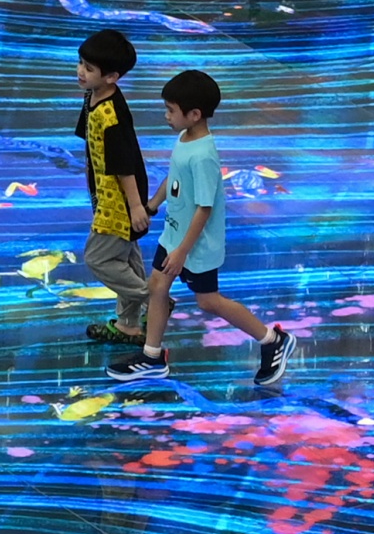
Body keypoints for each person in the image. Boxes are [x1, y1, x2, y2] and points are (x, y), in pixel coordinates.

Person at [106, 70, 297, 387]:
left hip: (195, 245)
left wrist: (182, 251)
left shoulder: (204, 156)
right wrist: (153, 204)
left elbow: (205, 208)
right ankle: (152, 357)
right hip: (174, 234)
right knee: (157, 287)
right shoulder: (184, 139)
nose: (166, 116)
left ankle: (271, 340)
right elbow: (174, 178)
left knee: (208, 301)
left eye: (170, 110)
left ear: (193, 114)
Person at [73, 29, 151, 346]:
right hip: (103, 192)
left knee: (99, 258)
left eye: (89, 69)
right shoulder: (92, 96)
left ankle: (154, 299)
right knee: (128, 261)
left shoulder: (113, 114)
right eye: (80, 63)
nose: (80, 72)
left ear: (112, 77)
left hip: (118, 200)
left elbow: (125, 163)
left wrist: (135, 207)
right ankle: (129, 325)